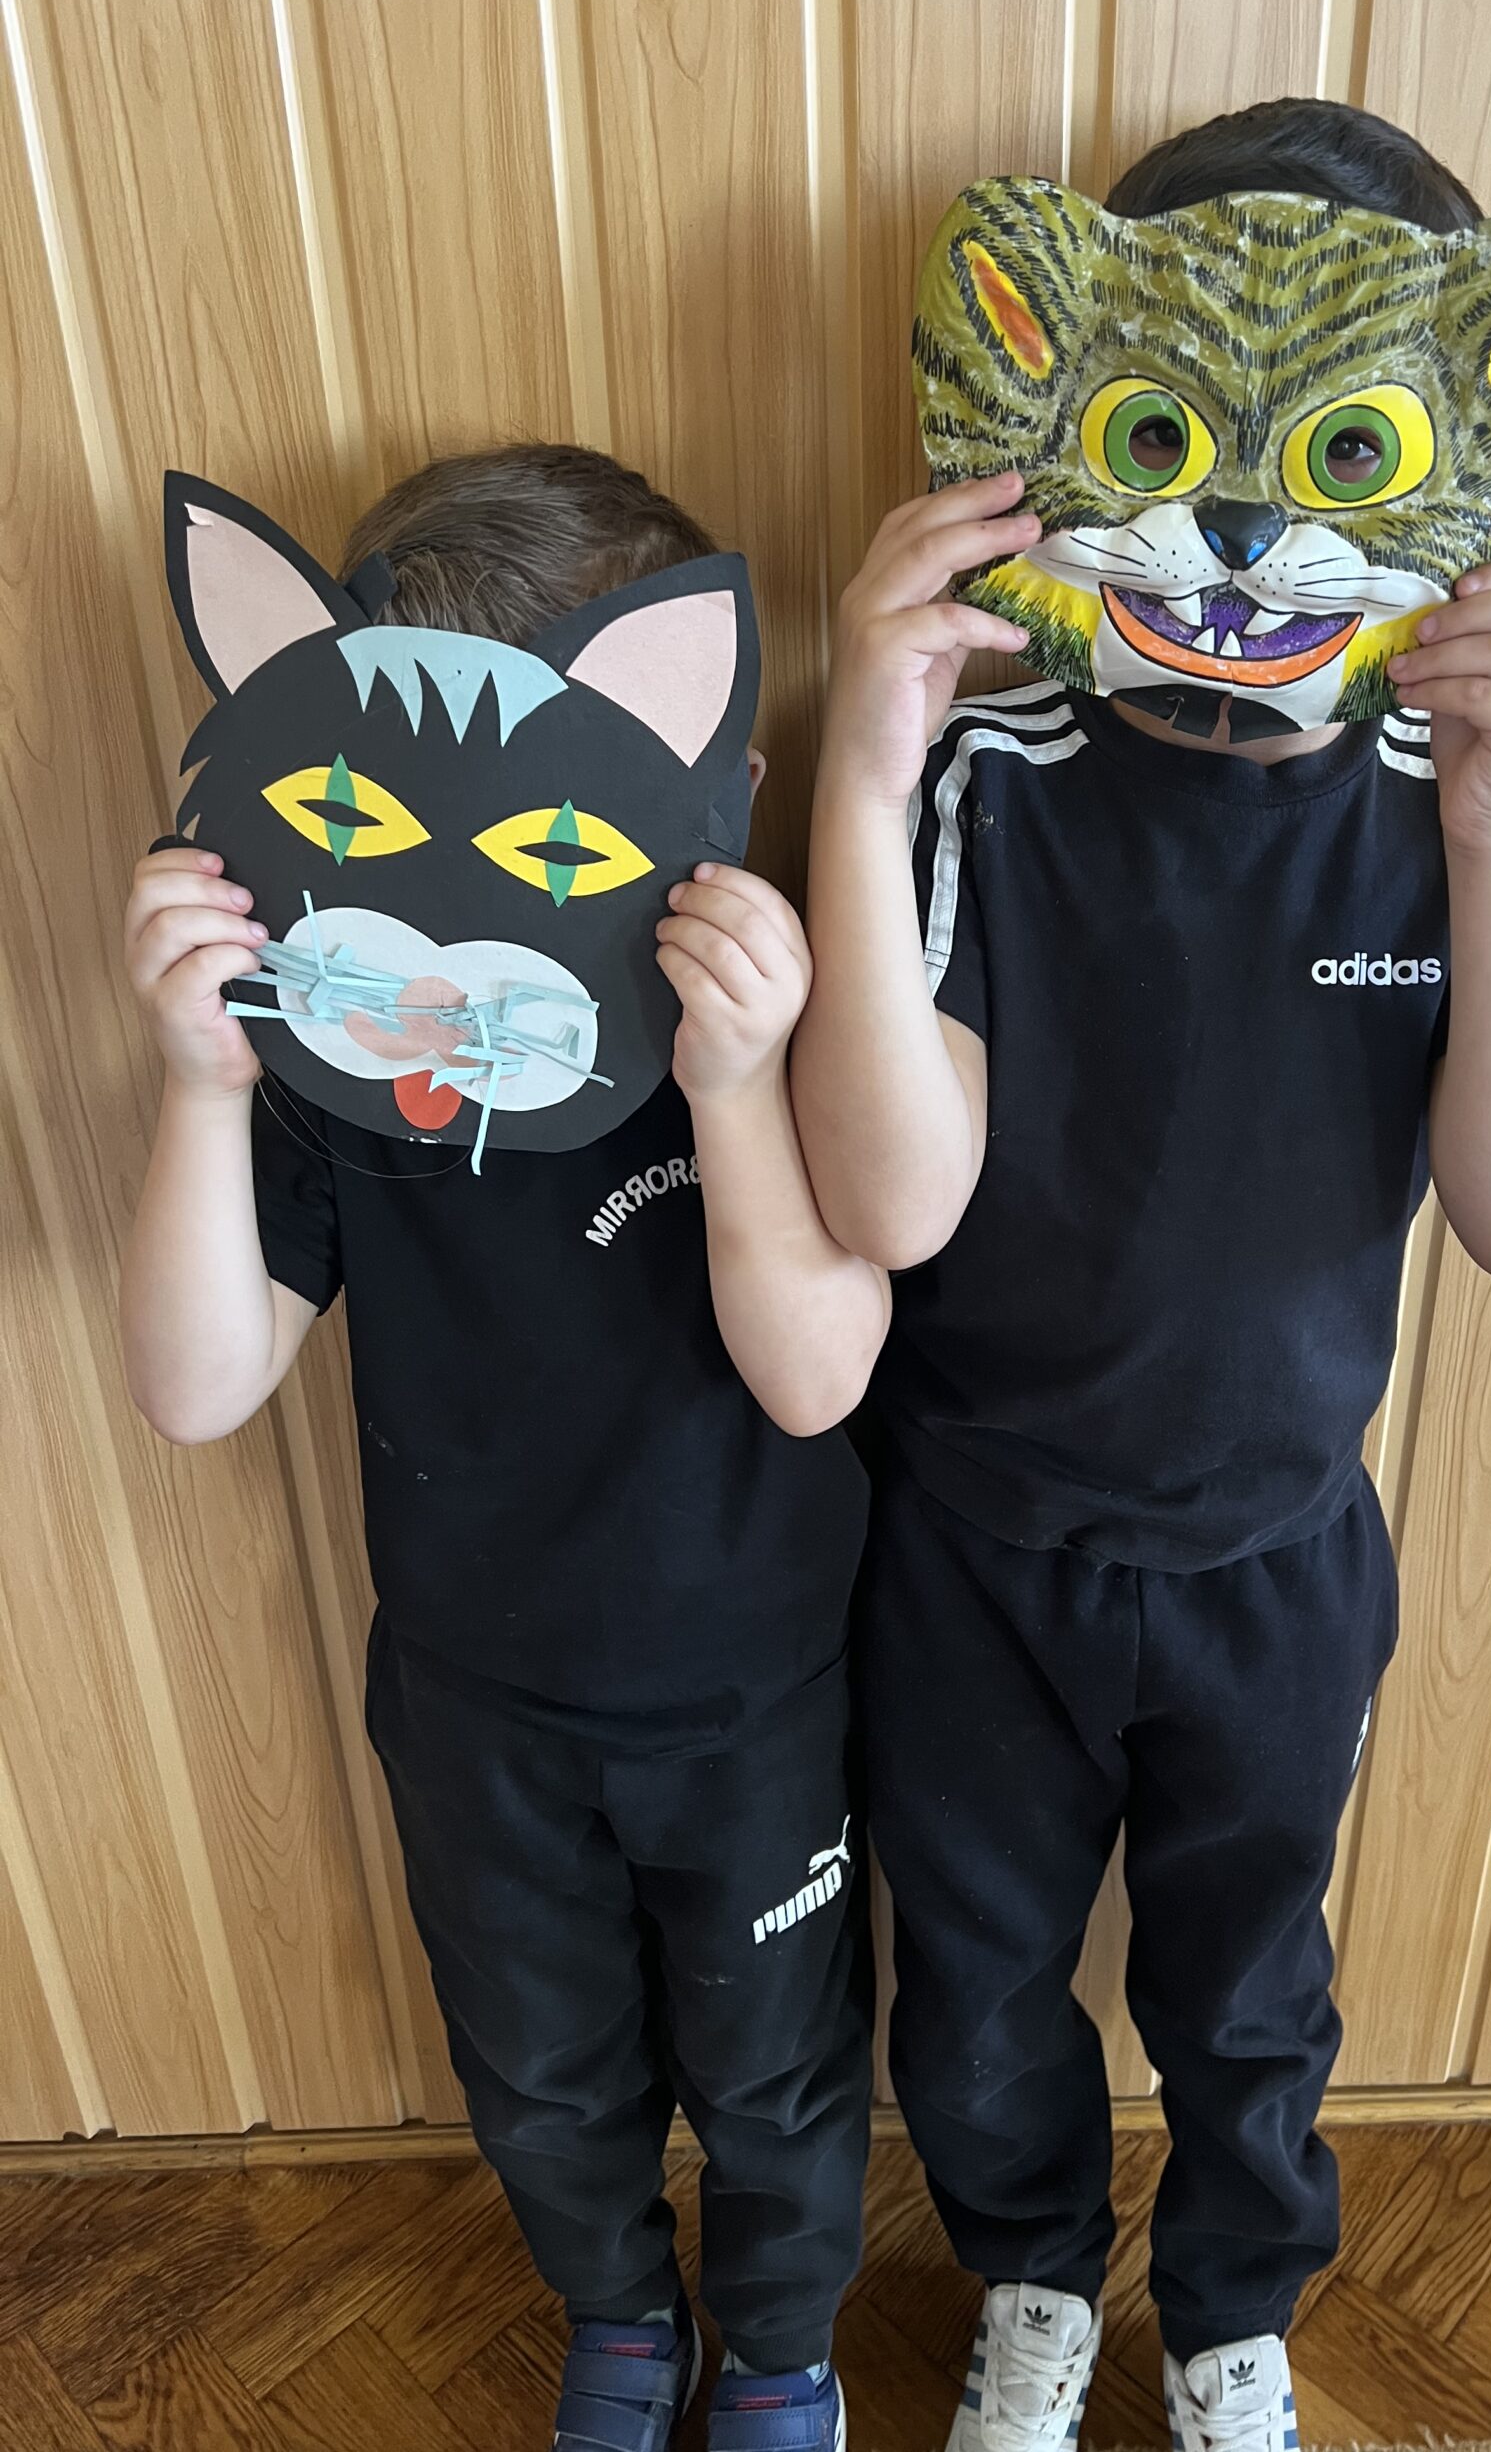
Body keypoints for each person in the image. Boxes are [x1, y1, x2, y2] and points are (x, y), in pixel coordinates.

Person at [792, 100, 1491, 2452]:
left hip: (1277, 1551)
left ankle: (1235, 2310)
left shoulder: (1445, 793)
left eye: (1344, 451)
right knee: (977, 1982)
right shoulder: (994, 771)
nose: (1247, 524)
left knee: (1252, 1991)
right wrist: (862, 758)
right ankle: (1033, 2279)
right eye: (1173, 437)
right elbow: (891, 1201)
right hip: (975, 1546)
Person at [121, 443, 887, 2452]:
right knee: (543, 2072)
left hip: (751, 1703)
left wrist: (733, 1090)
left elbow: (818, 1378)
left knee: (780, 2070)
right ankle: (622, 2315)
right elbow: (195, 1384)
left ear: (705, 785)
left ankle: (782, 2345)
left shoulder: (771, 1028)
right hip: (479, 1709)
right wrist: (205, 1082)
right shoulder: (342, 1074)